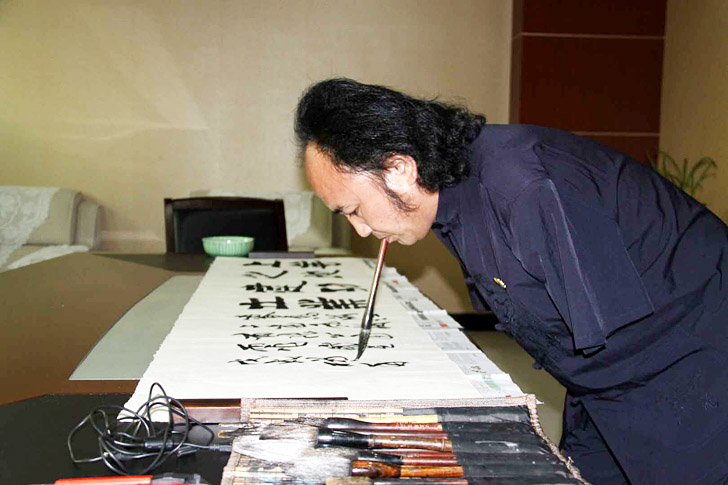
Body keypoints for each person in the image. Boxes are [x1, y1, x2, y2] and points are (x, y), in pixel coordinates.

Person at [295, 78, 728, 484]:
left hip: (688, 360)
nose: (361, 229)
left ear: (399, 168)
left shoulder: (524, 187)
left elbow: (612, 333)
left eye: (354, 210)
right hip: (604, 381)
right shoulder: (452, 186)